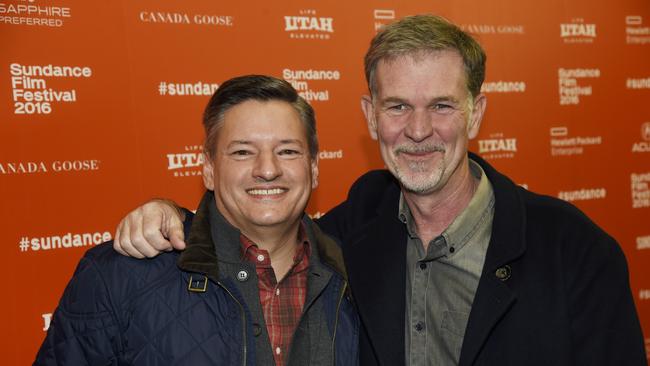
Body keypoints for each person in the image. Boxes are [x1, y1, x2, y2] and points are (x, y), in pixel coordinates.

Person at [112, 15, 647, 366]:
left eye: (441, 106)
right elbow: (259, 223)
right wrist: (172, 217)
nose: (417, 131)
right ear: (370, 116)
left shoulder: (574, 251)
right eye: (397, 107)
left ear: (476, 114)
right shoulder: (347, 234)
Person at [35, 75, 359, 366]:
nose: (267, 169)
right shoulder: (118, 276)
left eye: (287, 151)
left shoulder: (359, 275)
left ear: (314, 167)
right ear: (208, 168)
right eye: (242, 152)